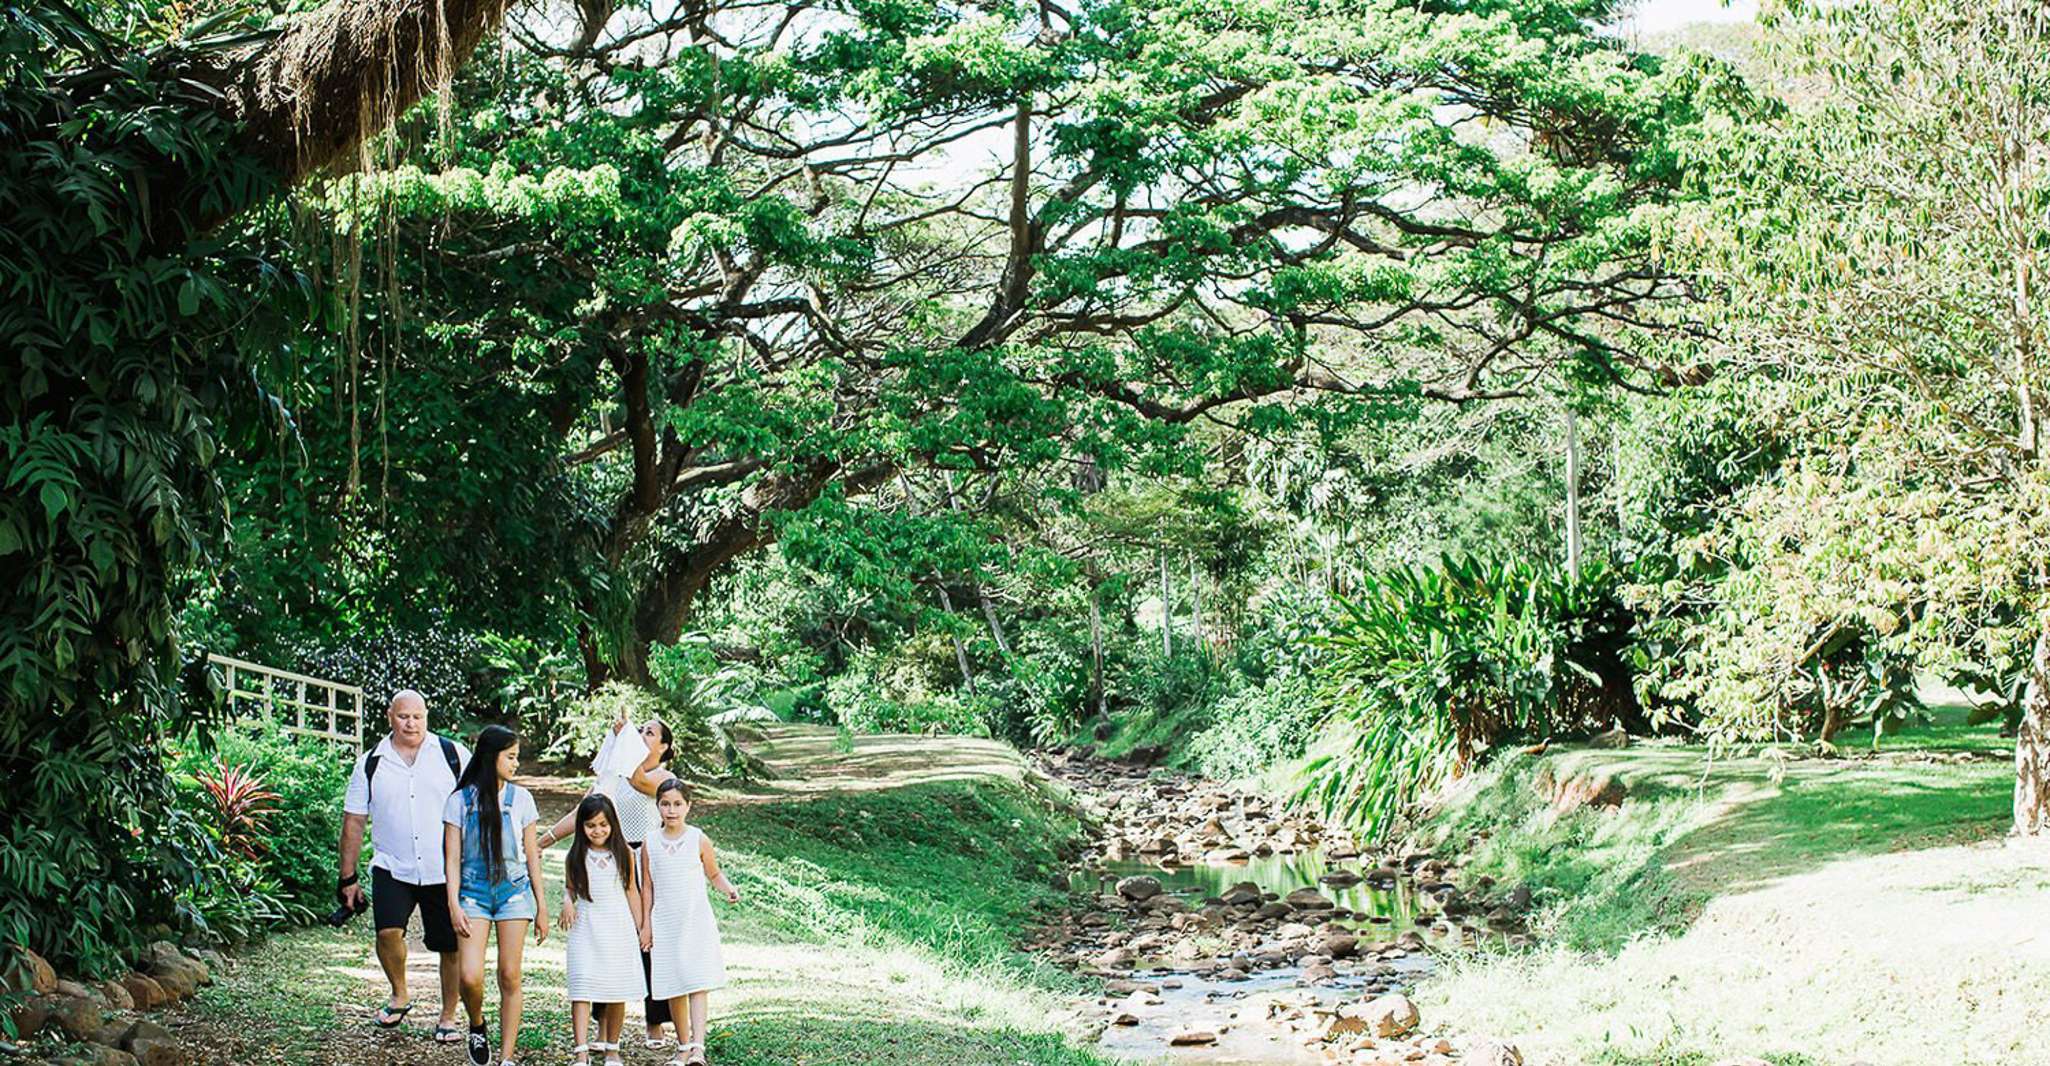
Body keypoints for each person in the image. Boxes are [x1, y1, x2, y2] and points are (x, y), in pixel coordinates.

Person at [540, 713, 679, 1047]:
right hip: (608, 859)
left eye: (648, 733)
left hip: (644, 862)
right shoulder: (614, 772)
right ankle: (602, 1023)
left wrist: (624, 738)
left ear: (665, 746)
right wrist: (543, 840)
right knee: (604, 941)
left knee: (648, 940)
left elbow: (636, 779)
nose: (642, 735)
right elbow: (584, 811)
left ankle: (655, 1019)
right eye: (640, 730)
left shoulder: (661, 776)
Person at [339, 690, 470, 1042]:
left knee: (451, 946)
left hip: (445, 868)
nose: (410, 723)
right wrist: (347, 877)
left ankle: (447, 1016)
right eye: (403, 716)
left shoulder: (453, 754)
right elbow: (354, 820)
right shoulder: (371, 762)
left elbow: (478, 805)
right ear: (389, 716)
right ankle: (400, 993)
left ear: (426, 716)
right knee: (387, 933)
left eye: (417, 716)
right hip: (392, 864)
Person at [442, 725, 549, 1066]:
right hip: (472, 894)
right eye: (511, 757)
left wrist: (542, 907)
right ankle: (477, 1023)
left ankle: (505, 1057)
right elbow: (451, 860)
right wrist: (453, 903)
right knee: (470, 976)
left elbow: (532, 856)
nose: (516, 764)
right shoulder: (459, 801)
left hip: (513, 893)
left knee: (509, 974)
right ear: (491, 758)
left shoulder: (522, 799)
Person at [640, 779, 739, 1066]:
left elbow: (714, 874)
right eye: (665, 804)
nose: (671, 810)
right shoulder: (650, 842)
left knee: (696, 981)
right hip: (664, 921)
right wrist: (646, 924)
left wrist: (729, 889)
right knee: (673, 983)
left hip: (694, 919)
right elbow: (647, 886)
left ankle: (698, 1047)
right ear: (658, 806)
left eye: (677, 804)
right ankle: (682, 1046)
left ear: (688, 806)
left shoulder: (698, 838)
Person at [560, 795, 650, 1066]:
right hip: (586, 927)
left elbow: (632, 891)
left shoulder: (623, 853)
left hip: (617, 927)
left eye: (603, 824)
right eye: (590, 825)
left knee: (616, 988)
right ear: (581, 827)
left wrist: (642, 927)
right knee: (582, 986)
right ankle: (581, 1051)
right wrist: (566, 902)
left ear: (612, 824)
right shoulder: (576, 855)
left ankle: (612, 1048)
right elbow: (570, 888)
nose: (597, 830)